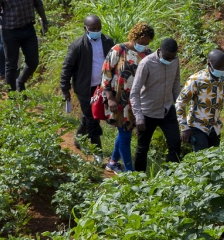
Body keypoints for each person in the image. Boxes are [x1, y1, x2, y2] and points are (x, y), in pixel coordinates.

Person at [100, 23, 155, 173]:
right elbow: (106, 73)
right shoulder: (118, 50)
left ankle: (112, 162)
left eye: (147, 43)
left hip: (136, 101)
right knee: (125, 134)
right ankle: (129, 172)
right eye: (142, 42)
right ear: (134, 37)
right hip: (119, 100)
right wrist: (110, 97)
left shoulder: (148, 54)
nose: (143, 45)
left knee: (125, 131)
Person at [60, 15, 113, 158]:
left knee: (88, 115)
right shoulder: (78, 45)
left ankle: (78, 138)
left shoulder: (107, 41)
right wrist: (65, 88)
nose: (96, 31)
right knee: (93, 118)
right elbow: (67, 67)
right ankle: (98, 153)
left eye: (99, 28)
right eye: (93, 29)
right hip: (84, 87)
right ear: (85, 29)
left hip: (102, 86)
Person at [176, 48, 224, 153]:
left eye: (223, 67)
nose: (221, 70)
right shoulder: (196, 80)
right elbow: (180, 102)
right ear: (209, 64)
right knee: (203, 161)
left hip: (215, 127)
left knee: (214, 160)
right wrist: (184, 127)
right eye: (218, 67)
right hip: (197, 126)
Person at [130, 38, 182, 173]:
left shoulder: (175, 60)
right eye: (167, 57)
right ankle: (138, 178)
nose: (169, 60)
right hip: (148, 112)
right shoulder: (146, 63)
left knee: (175, 143)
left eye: (172, 57)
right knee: (143, 148)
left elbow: (176, 84)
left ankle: (170, 177)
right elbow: (134, 92)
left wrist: (180, 107)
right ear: (160, 51)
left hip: (167, 109)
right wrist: (139, 116)